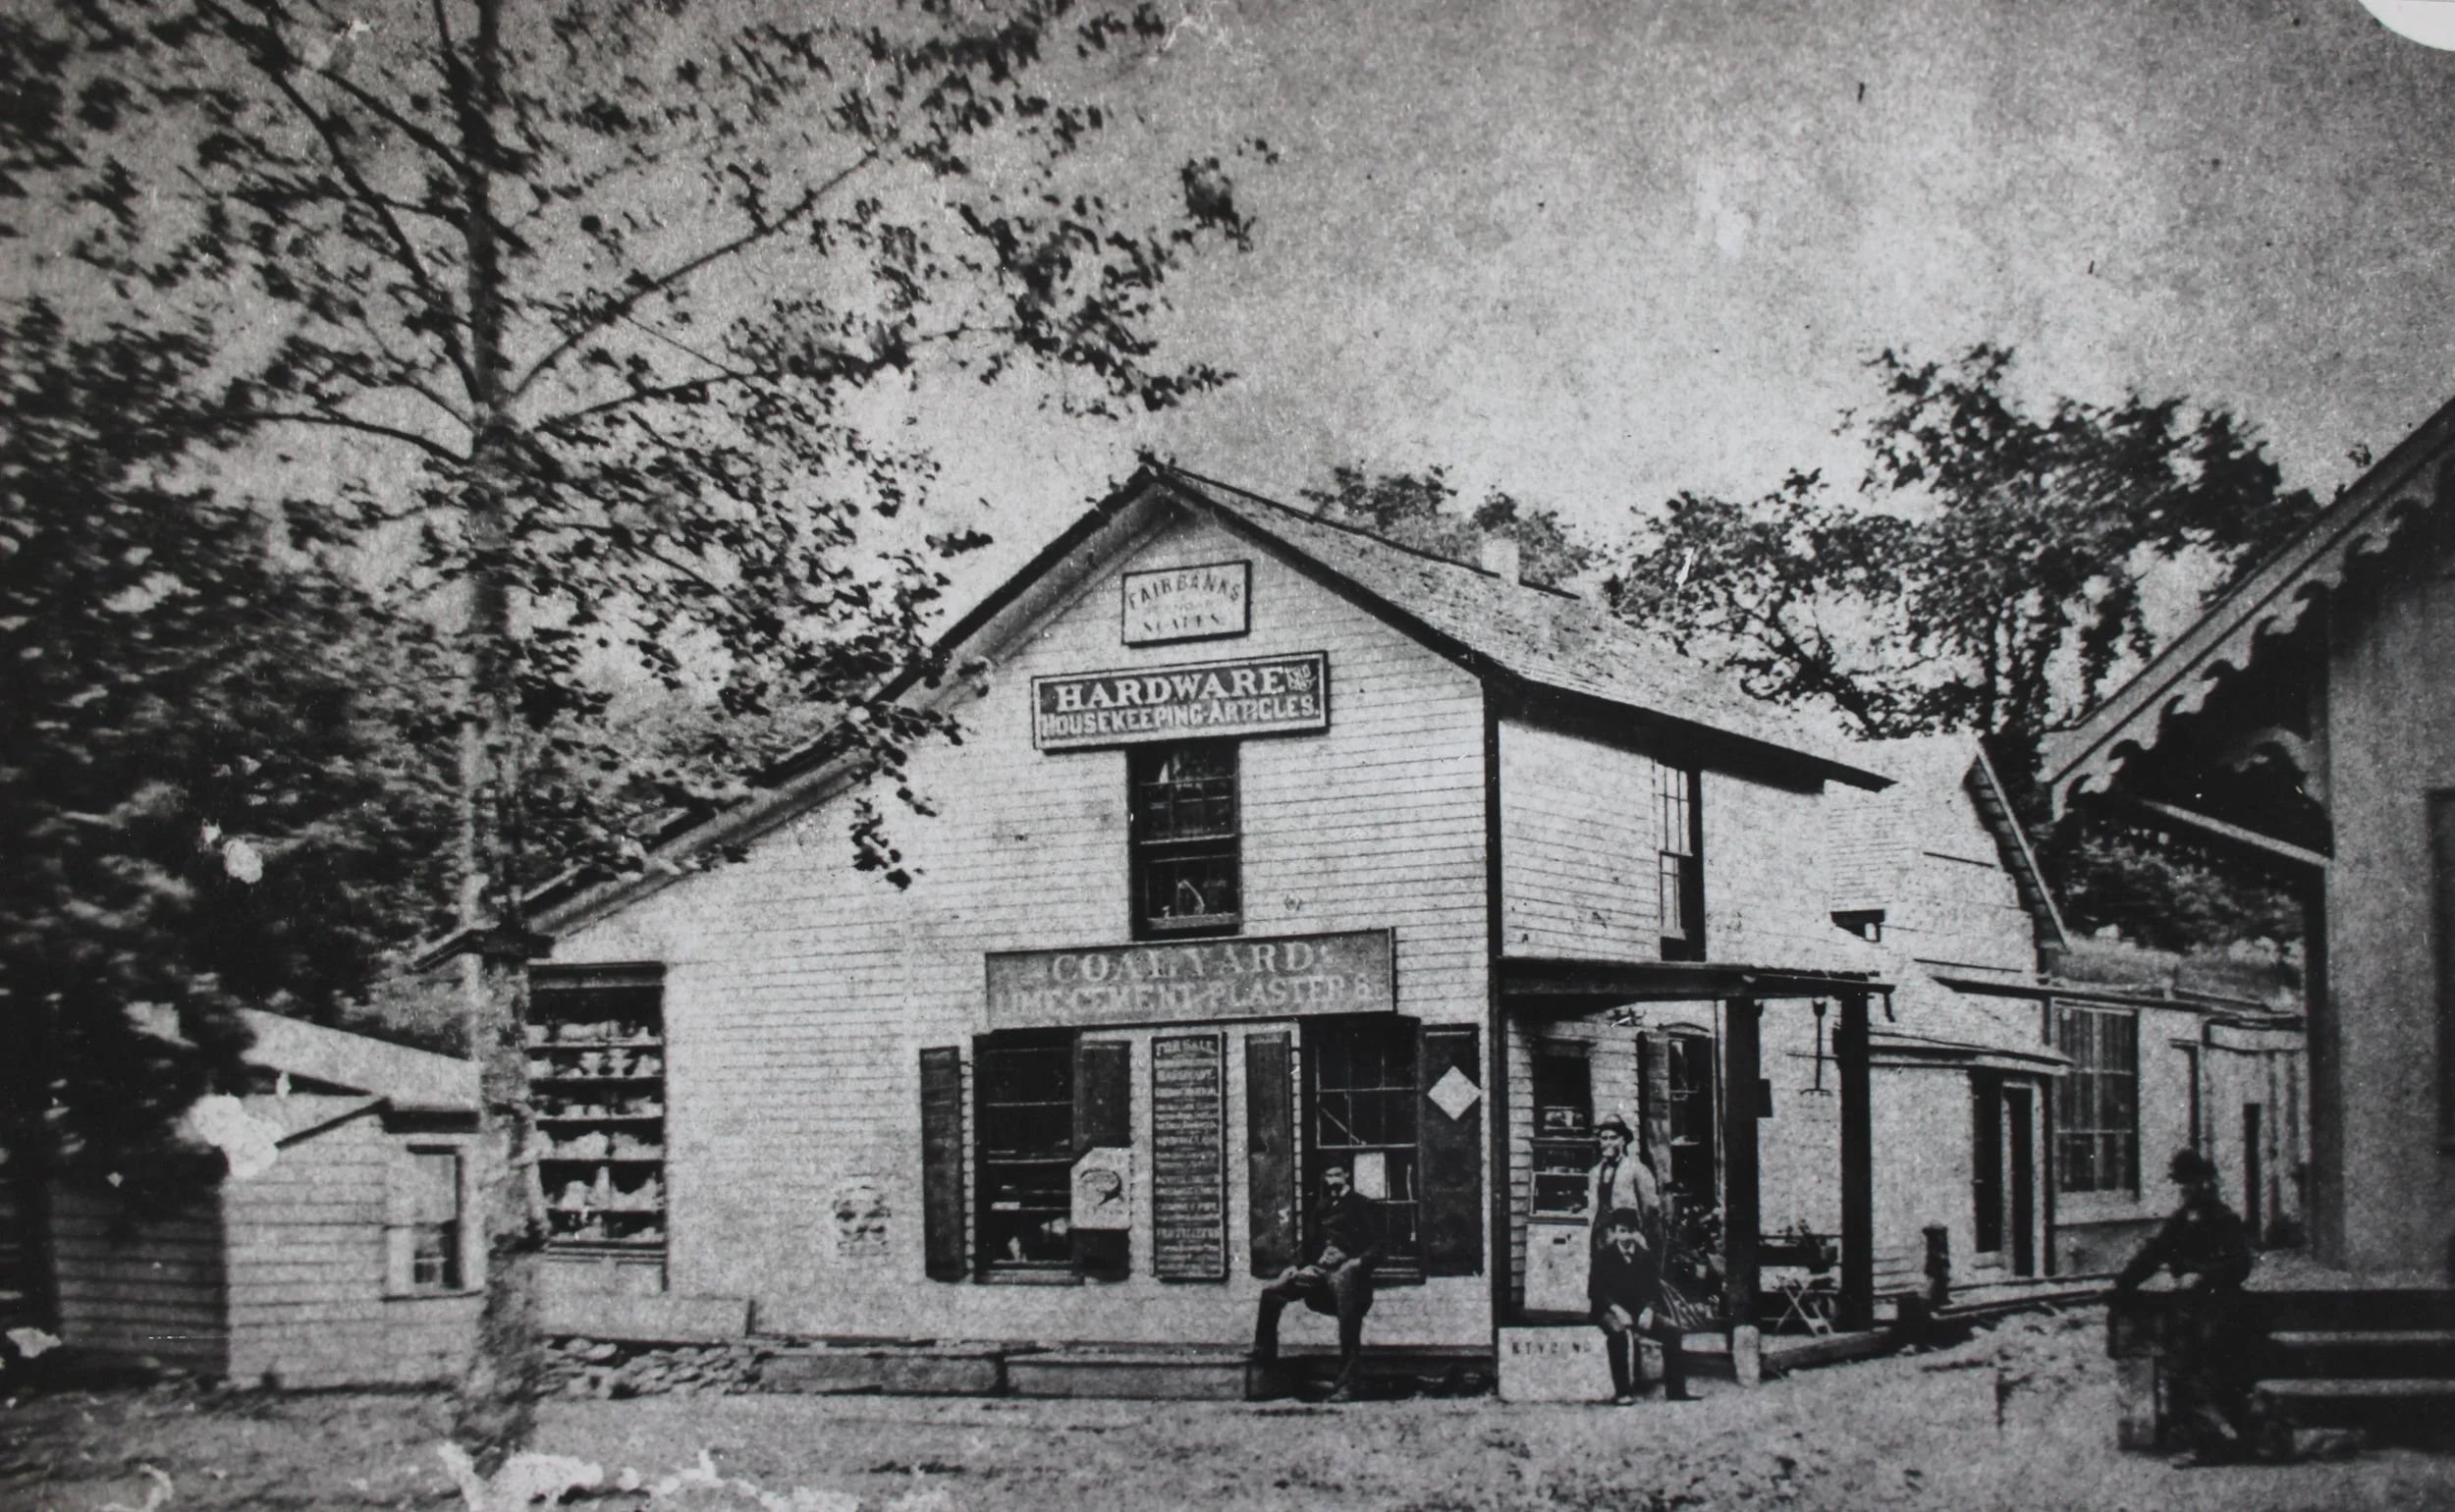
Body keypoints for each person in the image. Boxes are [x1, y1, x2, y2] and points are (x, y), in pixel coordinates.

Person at [2115, 1148, 2257, 1466]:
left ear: (2206, 1182)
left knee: (2193, 1363)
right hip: (2197, 1307)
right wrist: (2124, 1284)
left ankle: (2213, 1442)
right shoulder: (2184, 1218)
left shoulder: (2223, 1218)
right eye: (2183, 1185)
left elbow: (2240, 1263)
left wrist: (2202, 1275)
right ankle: (2206, 1437)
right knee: (2179, 1362)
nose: (2187, 1190)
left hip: (2223, 1304)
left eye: (2191, 1183)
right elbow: (2156, 1252)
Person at [1253, 1162, 1382, 1401]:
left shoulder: (1363, 1205)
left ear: (1346, 1175)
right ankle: (1265, 1367)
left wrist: (1358, 1263)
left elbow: (1378, 1246)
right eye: (1328, 1175)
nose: (1332, 1180)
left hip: (1347, 1271)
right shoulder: (1321, 1207)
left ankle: (1347, 1385)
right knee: (1272, 1293)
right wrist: (1296, 1266)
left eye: (1336, 1174)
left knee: (1349, 1321)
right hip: (1320, 1269)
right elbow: (1310, 1243)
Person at [1589, 1206, 1692, 1403]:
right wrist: (1617, 1310)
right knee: (1618, 1333)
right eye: (1621, 1231)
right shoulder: (1603, 1257)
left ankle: (1676, 1391)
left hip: (1638, 1310)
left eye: (1630, 1231)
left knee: (1673, 1331)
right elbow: (1595, 1291)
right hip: (1608, 1309)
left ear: (1636, 1232)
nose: (1625, 1237)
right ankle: (1623, 1393)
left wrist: (1649, 1310)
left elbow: (1654, 1289)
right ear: (1614, 1232)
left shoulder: (1645, 1256)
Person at [1588, 1114, 1662, 1239]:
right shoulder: (1595, 1172)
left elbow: (1649, 1208)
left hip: (1628, 1239)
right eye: (1604, 1138)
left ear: (1624, 1140)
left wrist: (1640, 1237)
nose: (1608, 1142)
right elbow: (1592, 1209)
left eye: (1613, 1138)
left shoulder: (1637, 1170)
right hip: (1601, 1239)